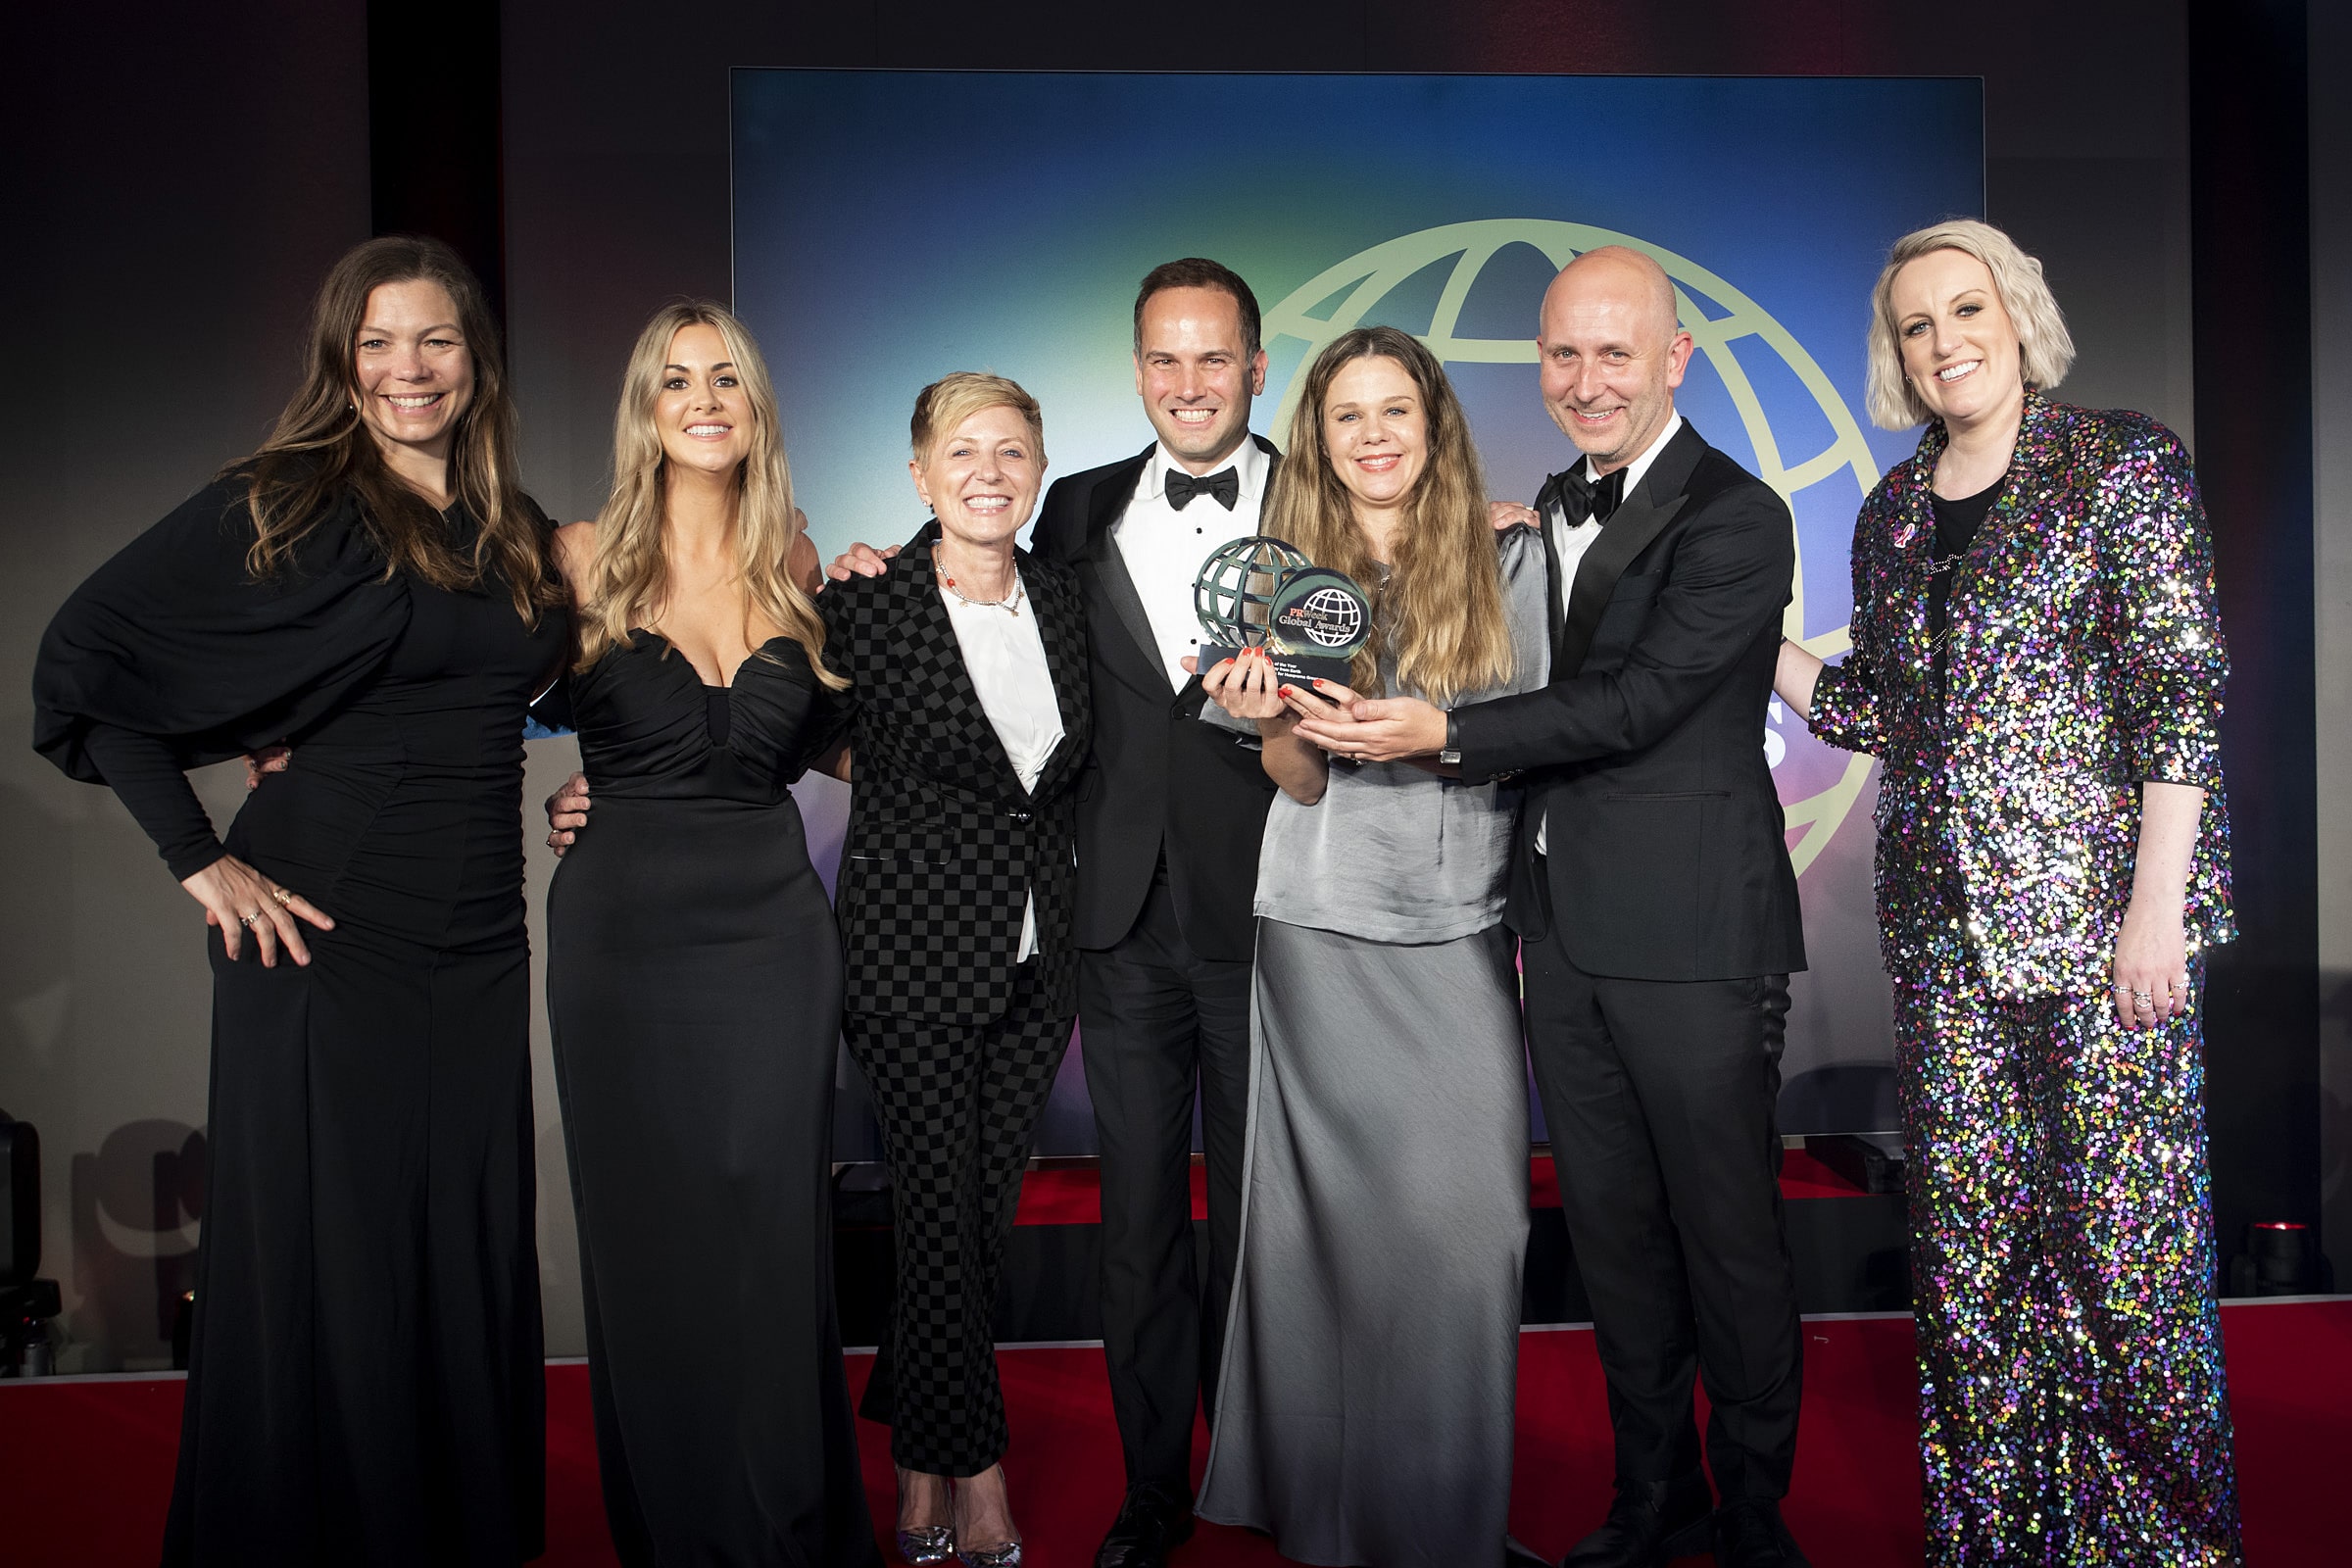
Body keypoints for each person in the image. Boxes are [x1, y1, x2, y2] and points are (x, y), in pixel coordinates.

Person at [32, 235, 563, 1565]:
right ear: (342, 359)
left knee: (461, 1235)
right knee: (337, 1248)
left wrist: (602, 782)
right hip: (327, 925)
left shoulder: (508, 520)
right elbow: (84, 662)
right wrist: (196, 856)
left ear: (475, 356)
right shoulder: (289, 499)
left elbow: (553, 681)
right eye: (377, 343)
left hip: (480, 936)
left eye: (433, 340)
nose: (407, 369)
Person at [1299, 247, 1811, 1568]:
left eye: (1614, 353)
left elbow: (1640, 702)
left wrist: (1445, 734)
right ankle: (1654, 1502)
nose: (1586, 381)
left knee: (1728, 1241)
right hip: (1561, 931)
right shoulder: (1537, 515)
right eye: (1563, 354)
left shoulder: (1739, 515)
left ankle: (1755, 1520)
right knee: (1618, 1244)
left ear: (1675, 359)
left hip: (1696, 936)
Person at [1772, 220, 2241, 1563]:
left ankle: (2163, 1545)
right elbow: (1883, 712)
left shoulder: (2121, 463)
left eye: (1966, 309)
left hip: (2103, 937)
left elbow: (2179, 694)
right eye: (1917, 325)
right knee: (1974, 1269)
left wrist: (2156, 911)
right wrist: (1759, 641)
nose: (1946, 342)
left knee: (2127, 1264)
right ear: (1898, 354)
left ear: (2018, 313)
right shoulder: (1891, 512)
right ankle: (1995, 1537)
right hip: (1945, 949)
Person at [823, 259, 1283, 1568]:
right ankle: (1142, 1490)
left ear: (1256, 368)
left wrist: (1495, 517)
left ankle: (1262, 1470)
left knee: (1261, 1224)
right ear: (1134, 373)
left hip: (1267, 913)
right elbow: (816, 702)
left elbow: (1409, 551)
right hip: (1099, 931)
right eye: (1163, 358)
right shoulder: (1077, 511)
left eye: (1212, 357)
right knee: (1125, 1227)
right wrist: (612, 789)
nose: (1187, 382)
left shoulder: (1320, 492)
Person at [1187, 326, 1548, 1566]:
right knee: (1327, 1238)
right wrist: (1265, 723)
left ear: (1434, 424)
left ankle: (1448, 1522)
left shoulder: (1511, 556)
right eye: (1348, 415)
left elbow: (1539, 731)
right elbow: (1298, 782)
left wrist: (1429, 735)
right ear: (1319, 439)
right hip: (1317, 924)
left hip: (1455, 926)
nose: (1375, 435)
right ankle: (1332, 1518)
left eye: (1397, 409)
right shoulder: (1281, 578)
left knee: (1473, 1236)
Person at [540, 301, 878, 1566]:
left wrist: (938, 622)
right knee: (649, 1236)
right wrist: (298, 742)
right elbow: (456, 693)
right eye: (676, 379)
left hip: (773, 937)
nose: (702, 399)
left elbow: (837, 746)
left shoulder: (796, 559)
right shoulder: (577, 559)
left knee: (772, 1229)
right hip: (621, 942)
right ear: (645, 406)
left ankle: (786, 1521)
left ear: (756, 404)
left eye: (725, 377)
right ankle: (679, 1530)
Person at [825, 371, 1090, 1567]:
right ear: (920, 473)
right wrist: (604, 786)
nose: (990, 472)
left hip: (1038, 960)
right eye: (963, 451)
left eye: (1013, 450)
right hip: (910, 956)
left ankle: (913, 1444)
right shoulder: (866, 603)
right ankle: (973, 1474)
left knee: (975, 1219)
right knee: (938, 1210)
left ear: (1039, 470)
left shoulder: (1068, 599)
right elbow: (769, 729)